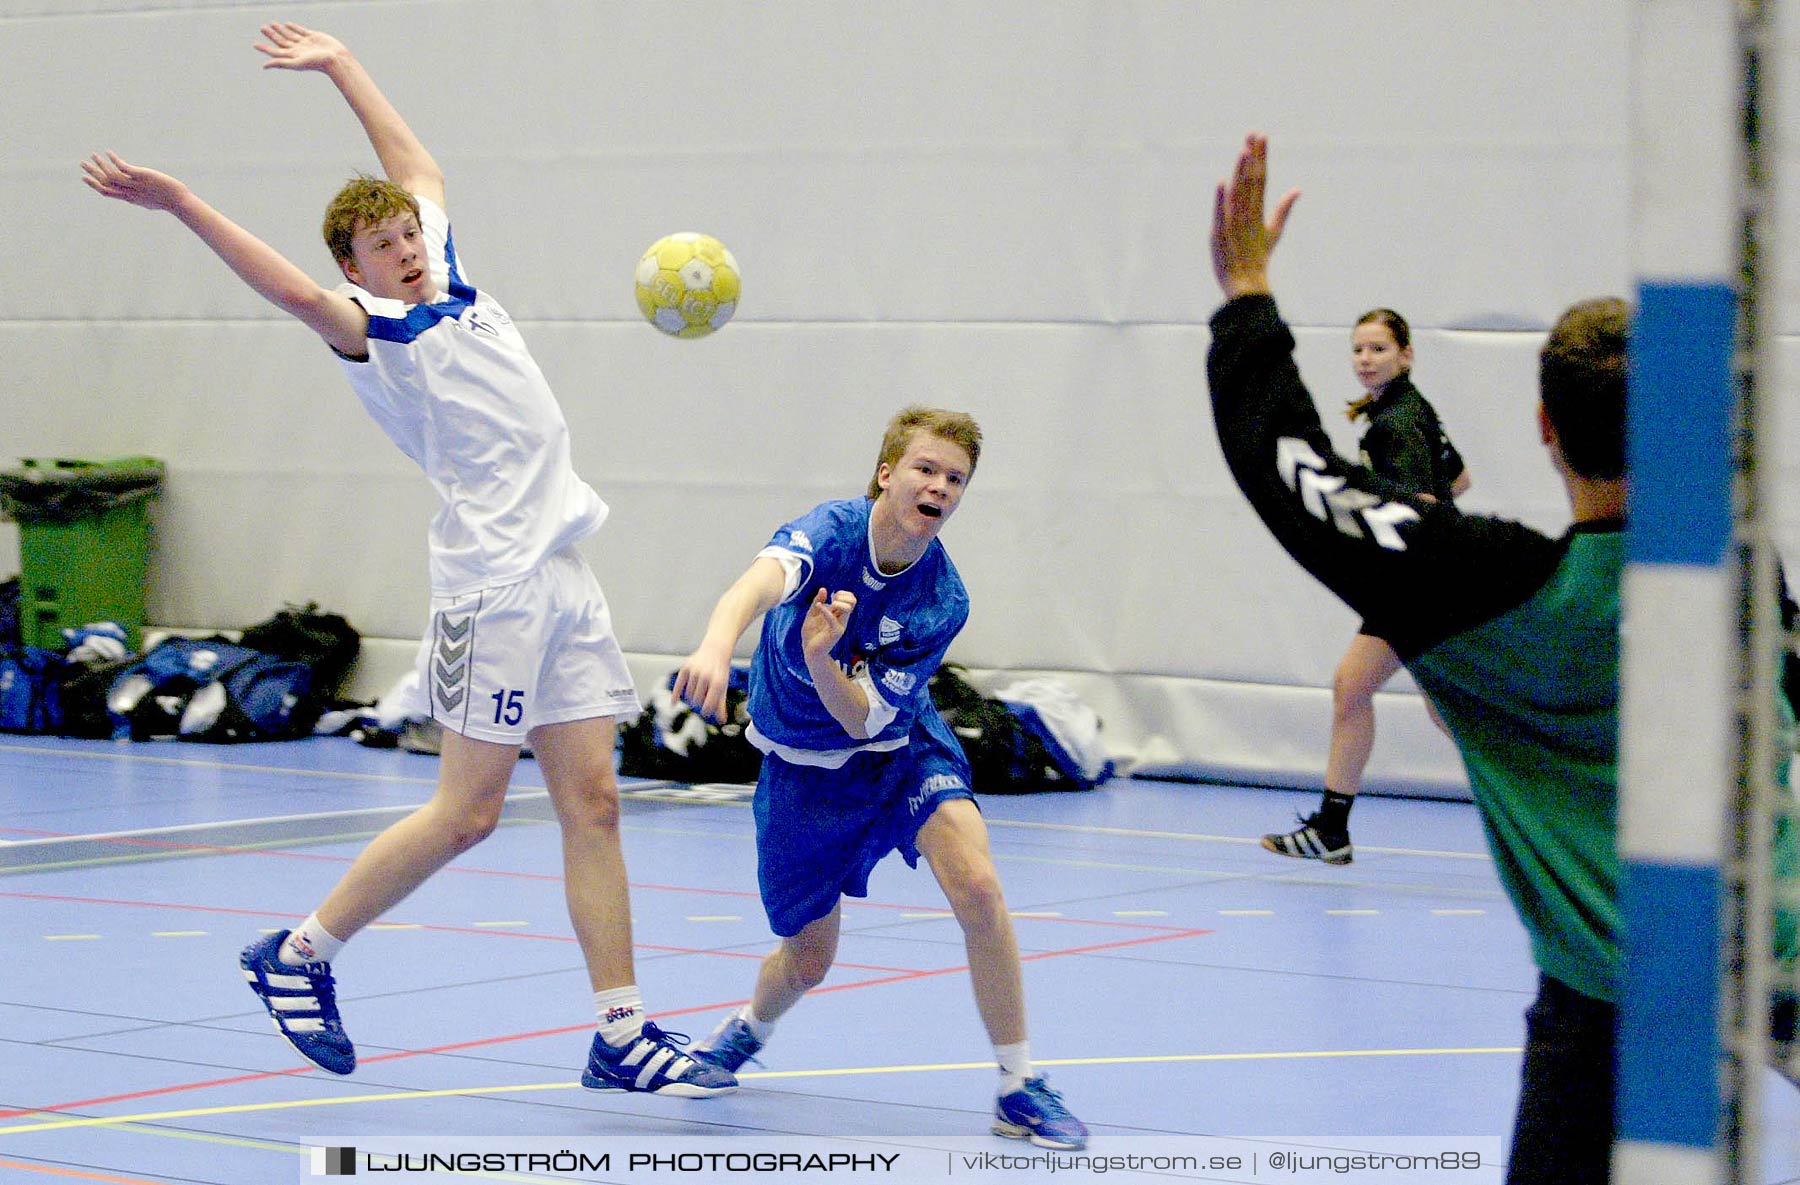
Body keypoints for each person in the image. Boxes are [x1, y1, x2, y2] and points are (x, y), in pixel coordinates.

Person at [81, 22, 734, 1099]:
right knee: (467, 813)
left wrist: (342, 67)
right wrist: (185, 204)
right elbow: (293, 293)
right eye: (383, 247)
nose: (406, 249)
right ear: (359, 270)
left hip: (565, 575)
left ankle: (622, 1032)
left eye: (407, 238)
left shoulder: (459, 286)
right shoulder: (376, 335)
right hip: (493, 588)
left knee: (597, 805)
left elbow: (417, 167)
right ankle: (298, 956)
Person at [1208, 131, 1634, 1183]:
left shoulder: (1502, 591)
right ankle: (1333, 821)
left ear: (1547, 427)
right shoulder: (1748, 586)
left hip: (1611, 993)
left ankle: (1333, 821)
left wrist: (1248, 295)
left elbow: (1290, 471)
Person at [670, 406, 1088, 1150]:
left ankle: (1019, 1085)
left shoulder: (942, 598)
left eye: (955, 479)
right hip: (802, 772)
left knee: (980, 887)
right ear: (888, 473)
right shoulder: (830, 533)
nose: (940, 487)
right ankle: (745, 1030)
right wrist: (713, 645)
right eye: (927, 469)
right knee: (810, 959)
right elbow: (758, 582)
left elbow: (865, 717)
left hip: (899, 752)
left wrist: (829, 661)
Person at [1261, 307, 1470, 865]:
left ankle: (1540, 795)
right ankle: (1332, 828)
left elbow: (1422, 501)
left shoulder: (1394, 424)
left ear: (1405, 354)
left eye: (1378, 349)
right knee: (1381, 695)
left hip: (1417, 587)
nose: (1365, 359)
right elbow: (1458, 480)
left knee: (1386, 695)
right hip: (1424, 583)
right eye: (1358, 349)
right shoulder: (1409, 411)